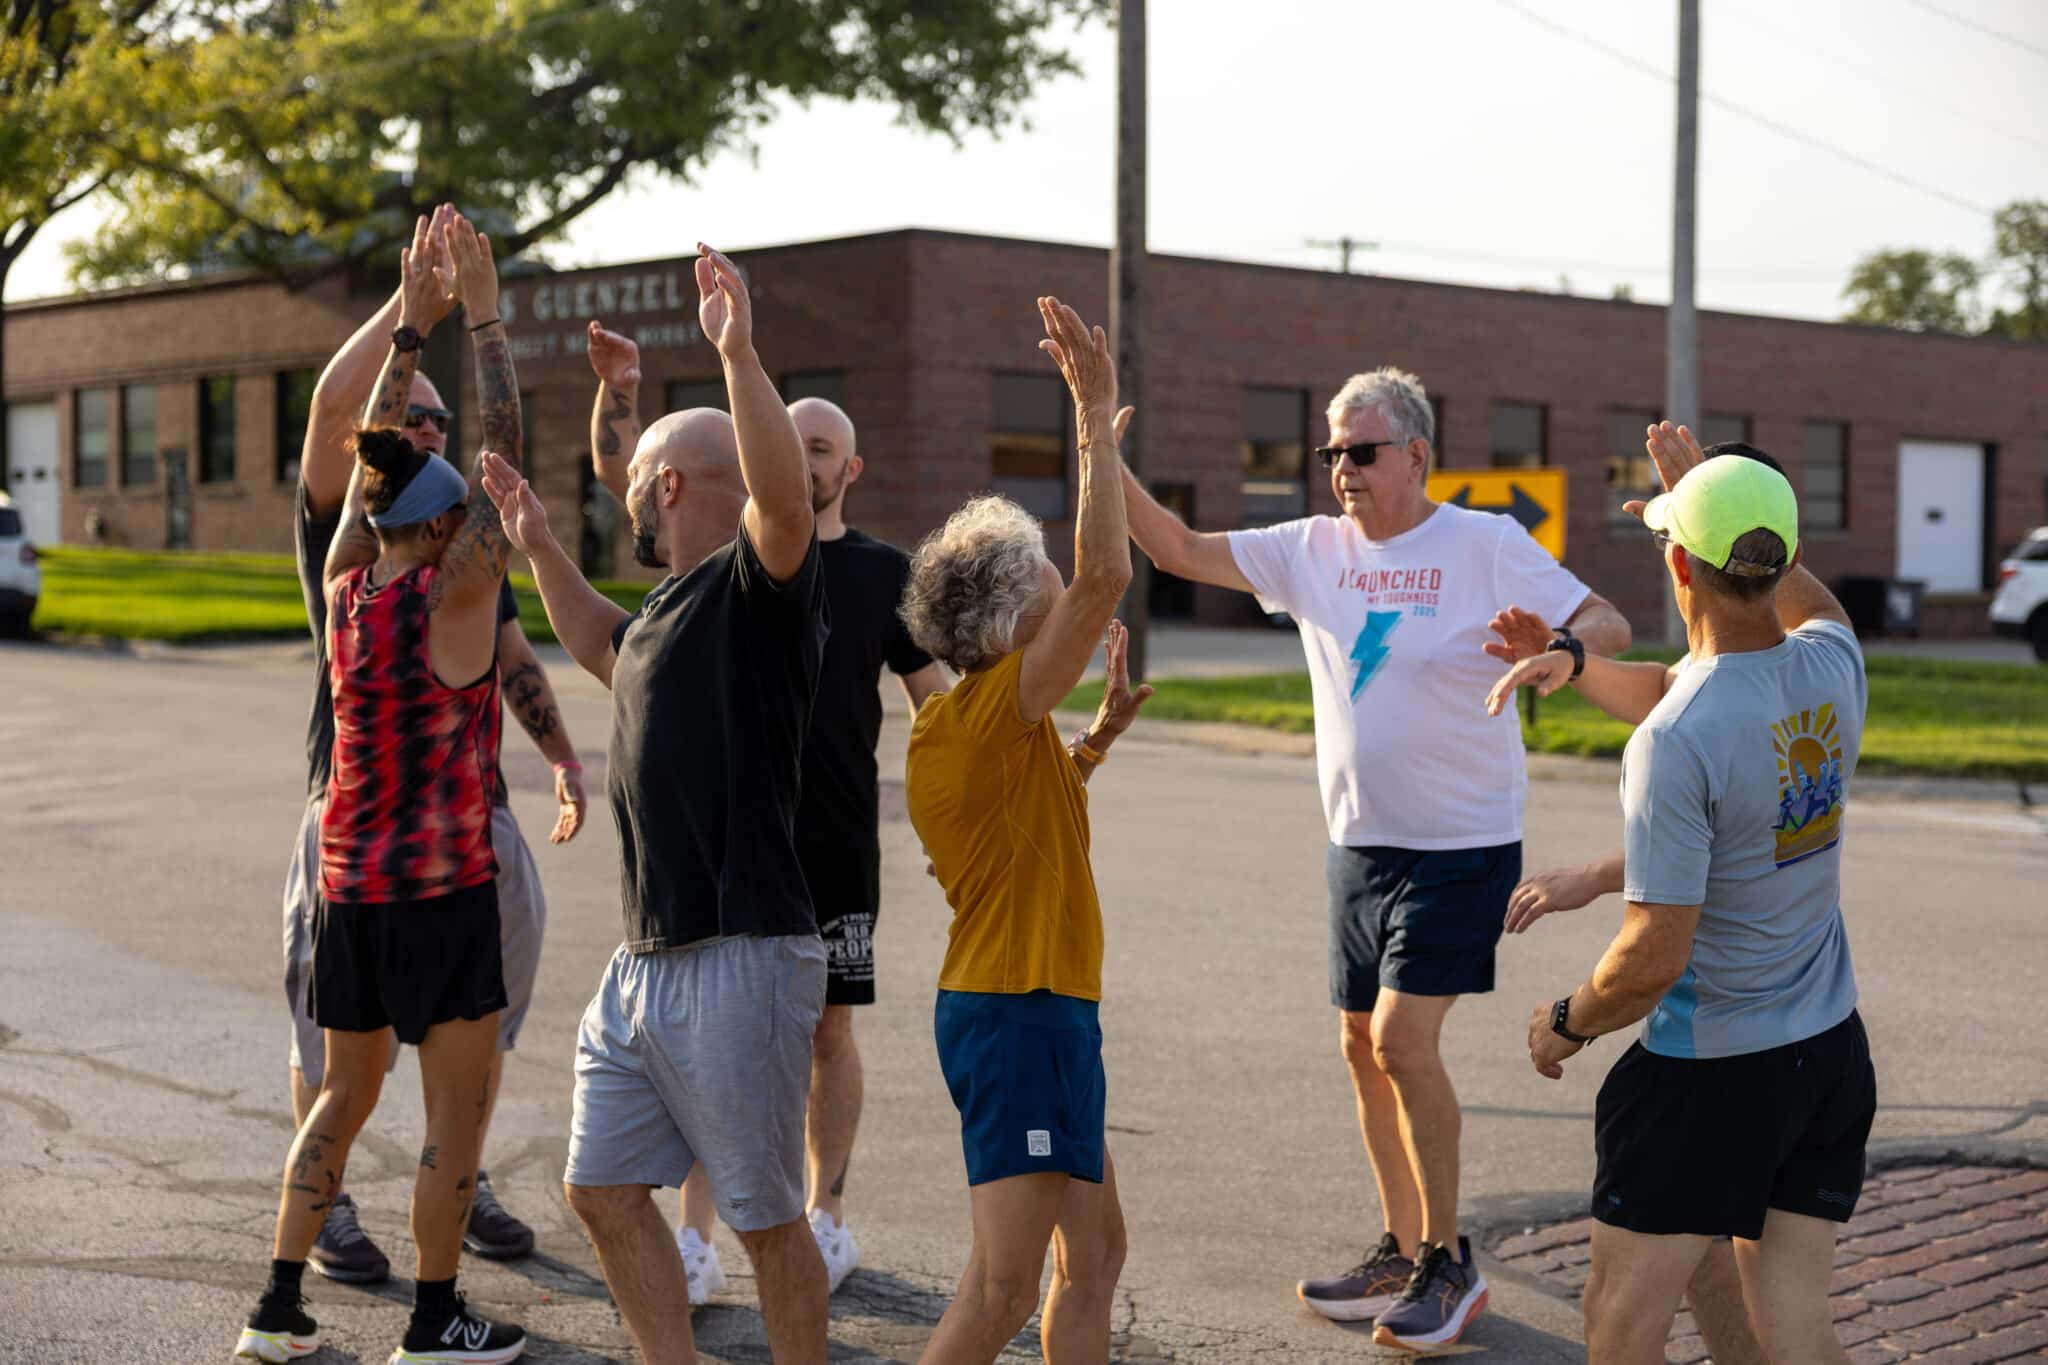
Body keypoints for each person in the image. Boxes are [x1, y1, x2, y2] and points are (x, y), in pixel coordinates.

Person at [1114, 365, 1631, 1349]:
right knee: (1359, 1046)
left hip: (1461, 841)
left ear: (1415, 454)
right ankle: (1400, 1247)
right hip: (1358, 842)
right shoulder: (1309, 550)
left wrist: (1560, 650)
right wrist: (1099, 452)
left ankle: (1450, 1261)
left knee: (1399, 1040)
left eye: (1360, 450)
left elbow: (1607, 619)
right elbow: (1174, 547)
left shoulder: (1482, 542)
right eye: (1330, 451)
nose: (1340, 467)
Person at [481, 246, 829, 1365]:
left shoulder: (758, 588)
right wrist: (539, 545)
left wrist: (737, 352)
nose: (622, 487)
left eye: (634, 475)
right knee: (598, 1188)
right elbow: (596, 639)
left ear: (669, 486)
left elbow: (783, 498)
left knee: (766, 1220)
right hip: (643, 961)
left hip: (743, 950)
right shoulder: (662, 618)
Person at [1490, 423, 1875, 1365]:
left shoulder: (1676, 739)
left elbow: (1651, 959)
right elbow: (1746, 641)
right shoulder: (1833, 663)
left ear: (1677, 568)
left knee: (1618, 1324)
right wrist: (1724, 503)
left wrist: (1566, 1021)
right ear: (1781, 558)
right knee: (1796, 1324)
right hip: (1827, 1053)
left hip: (1709, 1074)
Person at [583, 329, 949, 1299]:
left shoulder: (879, 574)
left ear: (849, 468)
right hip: (739, 839)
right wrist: (619, 394)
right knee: (716, 1050)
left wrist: (958, 823)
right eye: (787, 441)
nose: (798, 457)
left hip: (831, 840)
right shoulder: (723, 568)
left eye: (818, 447)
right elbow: (635, 477)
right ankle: (696, 1236)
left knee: (829, 1033)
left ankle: (826, 1216)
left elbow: (937, 706)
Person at [236, 211, 528, 1364]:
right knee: (455, 1115)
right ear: (448, 523)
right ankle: (433, 1316)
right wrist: (485, 322)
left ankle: (275, 1309)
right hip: (442, 895)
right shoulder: (459, 600)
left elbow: (368, 465)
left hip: (351, 893)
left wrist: (412, 330)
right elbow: (503, 454)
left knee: (339, 1100)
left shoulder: (346, 588)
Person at [277, 206, 580, 1289]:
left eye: (442, 424)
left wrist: (559, 752)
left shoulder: (384, 577)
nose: (434, 432)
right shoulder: (409, 565)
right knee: (392, 1082)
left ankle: (287, 1292)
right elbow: (367, 426)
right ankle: (403, 1275)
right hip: (396, 853)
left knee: (394, 1074)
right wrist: (457, 321)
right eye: (418, 420)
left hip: (411, 850)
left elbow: (512, 656)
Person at [901, 297, 1154, 1365]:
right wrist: (1091, 421)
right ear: (1011, 621)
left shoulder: (994, 728)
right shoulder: (985, 715)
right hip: (1018, 1012)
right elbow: (1107, 577)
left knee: (1092, 1256)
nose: (1067, 581)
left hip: (1038, 1007)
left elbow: (1022, 830)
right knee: (1001, 1286)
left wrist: (1092, 744)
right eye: (1044, 571)